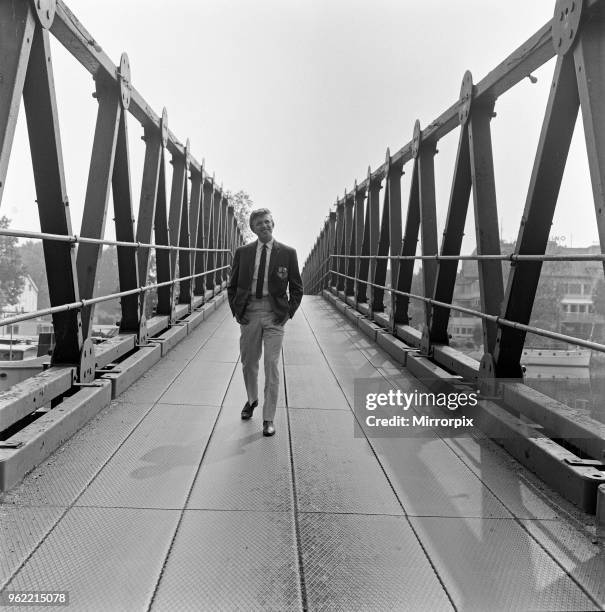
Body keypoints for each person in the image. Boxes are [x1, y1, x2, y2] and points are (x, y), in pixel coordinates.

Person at [227, 208, 303, 436]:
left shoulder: (288, 253)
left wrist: (288, 312)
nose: (264, 226)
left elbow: (297, 288)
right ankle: (252, 400)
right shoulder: (243, 252)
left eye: (267, 222)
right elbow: (232, 285)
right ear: (253, 228)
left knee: (271, 364)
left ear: (273, 223)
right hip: (249, 312)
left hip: (274, 314)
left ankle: (268, 418)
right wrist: (236, 310)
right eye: (259, 223)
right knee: (249, 362)